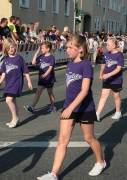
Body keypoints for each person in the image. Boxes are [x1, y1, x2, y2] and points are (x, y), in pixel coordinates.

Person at [37, 34, 106, 180]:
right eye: (66, 47)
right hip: (69, 107)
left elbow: (84, 90)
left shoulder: (85, 65)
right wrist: (67, 107)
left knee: (89, 138)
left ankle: (101, 162)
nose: (67, 50)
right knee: (62, 140)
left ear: (80, 49)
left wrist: (70, 108)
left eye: (70, 47)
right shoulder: (70, 64)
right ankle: (54, 174)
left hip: (85, 108)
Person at [0, 38, 33, 128]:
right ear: (6, 49)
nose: (11, 49)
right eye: (8, 48)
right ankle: (15, 119)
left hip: (17, 82)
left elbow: (26, 71)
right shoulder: (6, 59)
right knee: (13, 101)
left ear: (15, 47)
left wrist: (29, 82)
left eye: (12, 47)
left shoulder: (19, 58)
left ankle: (15, 119)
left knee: (8, 100)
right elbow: (4, 72)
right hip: (9, 83)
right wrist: (0, 82)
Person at [23, 41, 56, 114]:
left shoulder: (51, 57)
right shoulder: (41, 56)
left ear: (48, 49)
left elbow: (50, 68)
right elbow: (33, 62)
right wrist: (37, 52)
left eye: (43, 48)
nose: (41, 49)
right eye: (41, 48)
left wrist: (45, 75)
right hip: (41, 79)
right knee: (38, 92)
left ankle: (53, 107)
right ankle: (31, 107)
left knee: (50, 93)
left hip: (49, 79)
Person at [95, 37, 124, 121]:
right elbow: (103, 65)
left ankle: (118, 112)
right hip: (107, 79)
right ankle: (98, 113)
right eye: (106, 45)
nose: (107, 46)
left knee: (116, 96)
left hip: (116, 79)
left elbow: (118, 68)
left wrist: (108, 75)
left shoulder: (119, 55)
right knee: (103, 96)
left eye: (108, 45)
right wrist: (101, 74)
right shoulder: (106, 54)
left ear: (114, 46)